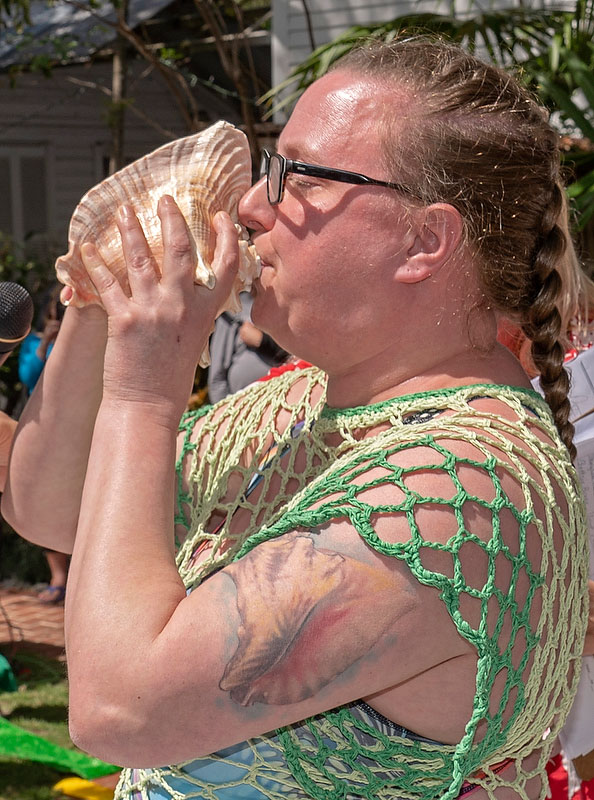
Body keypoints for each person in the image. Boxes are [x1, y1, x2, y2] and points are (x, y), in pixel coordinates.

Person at [1, 35, 592, 800]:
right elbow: (57, 509)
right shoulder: (299, 401)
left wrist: (145, 391)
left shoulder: (465, 485)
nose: (250, 204)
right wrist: (104, 292)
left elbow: (122, 710)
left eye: (294, 175)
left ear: (424, 240)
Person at [17, 283, 69, 604]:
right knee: (49, 501)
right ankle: (58, 577)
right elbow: (28, 375)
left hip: (82, 430)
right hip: (47, 434)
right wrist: (47, 343)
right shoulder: (35, 342)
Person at [207, 290, 287, 403]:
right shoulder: (228, 315)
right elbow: (217, 379)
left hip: (283, 396)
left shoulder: (280, 304)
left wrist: (262, 341)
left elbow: (297, 354)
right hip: (243, 407)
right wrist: (227, 415)